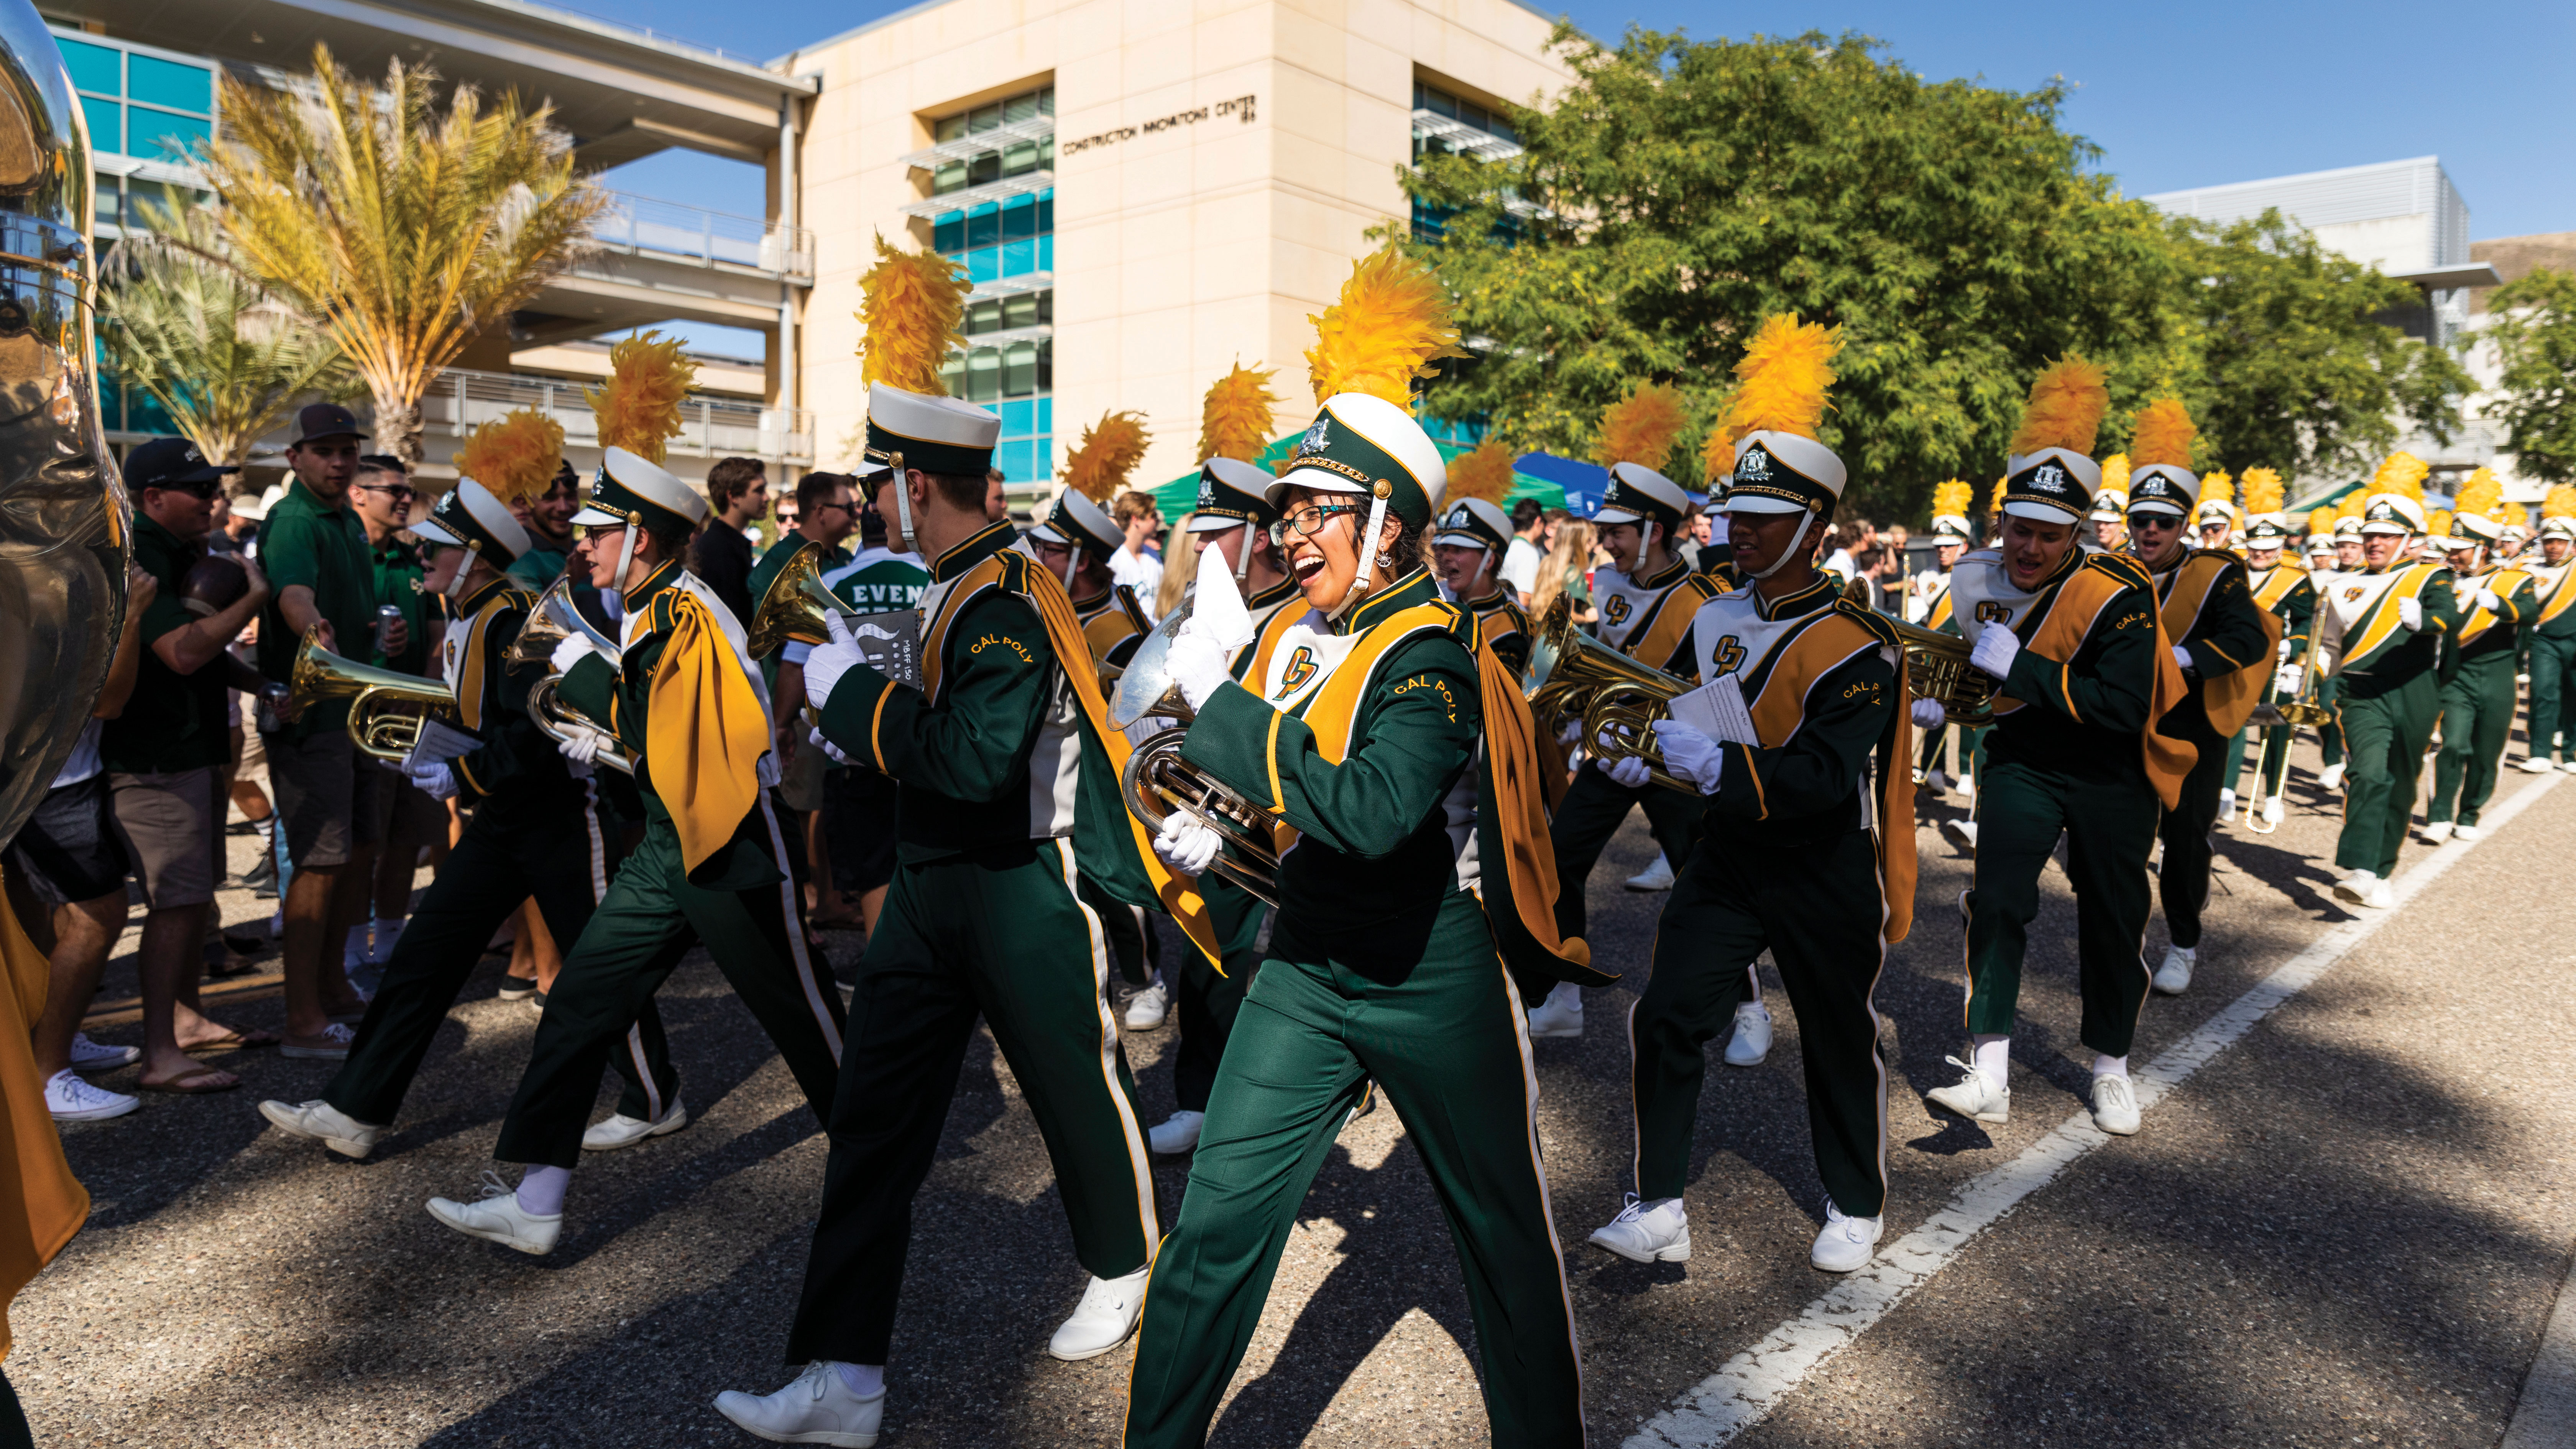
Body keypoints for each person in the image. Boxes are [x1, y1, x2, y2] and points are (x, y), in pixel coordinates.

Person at [714, 382, 1215, 1445]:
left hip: (1015, 876)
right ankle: (844, 1375)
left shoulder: (1003, 593)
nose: (866, 500)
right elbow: (933, 731)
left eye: (876, 480)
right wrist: (869, 710)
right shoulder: (953, 585)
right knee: (872, 1123)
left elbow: (978, 762)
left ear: (909, 479)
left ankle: (1127, 1263)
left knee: (1074, 1080)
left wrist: (849, 694)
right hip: (934, 878)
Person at [1120, 366, 1594, 1449]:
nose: (1289, 533)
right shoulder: (1290, 627)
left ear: (1385, 525)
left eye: (1313, 510)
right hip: (1304, 965)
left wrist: (1233, 724)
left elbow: (1377, 811)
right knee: (1211, 1233)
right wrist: (1211, 819)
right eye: (1283, 512)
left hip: (1424, 972)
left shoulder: (1433, 652)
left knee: (1504, 1239)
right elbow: (1272, 788)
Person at [423, 442, 846, 1254]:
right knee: (581, 1001)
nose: (580, 543)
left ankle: (876, 1152)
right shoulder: (653, 605)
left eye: (597, 530)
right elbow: (662, 733)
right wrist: (606, 723)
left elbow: (680, 732)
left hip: (727, 841)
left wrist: (586, 679)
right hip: (667, 838)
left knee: (804, 1015)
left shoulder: (679, 609)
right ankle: (537, 1200)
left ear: (641, 538)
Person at [1587, 317, 1912, 1274]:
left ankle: (1855, 1199)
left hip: (1818, 865)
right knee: (1667, 1015)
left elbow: (1818, 781)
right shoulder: (1718, 612)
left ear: (1818, 528)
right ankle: (1657, 1204)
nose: (1744, 529)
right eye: (1739, 513)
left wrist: (1714, 764)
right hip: (1729, 858)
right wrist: (1632, 749)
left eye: (1768, 517)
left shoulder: (1862, 642)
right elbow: (1679, 714)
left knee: (1840, 1035)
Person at [257, 473, 677, 1159]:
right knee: (425, 958)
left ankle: (656, 1096)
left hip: (562, 818)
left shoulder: (510, 615)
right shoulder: (469, 614)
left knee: (597, 965)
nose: (422, 558)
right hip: (507, 818)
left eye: (436, 549)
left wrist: (460, 771)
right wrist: (434, 749)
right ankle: (355, 1107)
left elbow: (535, 732)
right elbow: (484, 720)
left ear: (474, 557)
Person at [1922, 360, 2190, 1140]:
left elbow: (2119, 706)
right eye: (2018, 529)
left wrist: (2025, 668)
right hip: (2024, 760)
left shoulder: (2119, 588)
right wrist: (1945, 693)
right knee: (2000, 898)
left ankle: (2109, 1066)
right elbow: (1969, 655)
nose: (2029, 548)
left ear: (2075, 533)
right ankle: (1991, 1068)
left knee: (2112, 916)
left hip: (2111, 773)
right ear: (2000, 522)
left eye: (2047, 534)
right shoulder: (1975, 577)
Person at [1136, 454, 1306, 1155]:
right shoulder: (1213, 612)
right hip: (1224, 816)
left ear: (1259, 536)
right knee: (1211, 957)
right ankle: (1203, 1101)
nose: (1199, 547)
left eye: (1215, 533)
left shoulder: (1303, 614)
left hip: (1290, 814)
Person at [109, 439, 286, 1092]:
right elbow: (182, 653)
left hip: (193, 749)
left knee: (191, 900)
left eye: (215, 487)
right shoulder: (143, 556)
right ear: (153, 498)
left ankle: (186, 1023)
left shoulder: (186, 551)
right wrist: (253, 599)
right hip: (156, 758)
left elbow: (206, 659)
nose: (215, 498)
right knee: (175, 905)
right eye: (199, 489)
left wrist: (259, 682)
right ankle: (161, 1052)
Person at [1528, 459, 1725, 1043]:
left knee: (1707, 882)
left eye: (1617, 532)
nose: (1605, 542)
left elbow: (1709, 696)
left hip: (1675, 764)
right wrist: (1586, 724)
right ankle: (1564, 994)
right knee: (1559, 861)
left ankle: (1746, 1005)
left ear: (1654, 532)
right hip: (1616, 753)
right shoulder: (1610, 585)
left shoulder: (1706, 601)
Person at [2114, 409, 2276, 998]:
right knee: (2120, 840)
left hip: (2190, 731)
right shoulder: (2113, 572)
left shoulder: (2215, 575)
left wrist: (2185, 659)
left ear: (2183, 524)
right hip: (2125, 725)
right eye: (2140, 520)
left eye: (2162, 521)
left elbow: (2249, 639)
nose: (2150, 531)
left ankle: (2182, 942)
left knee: (2183, 842)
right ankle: (2122, 940)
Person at [253, 403, 394, 1061]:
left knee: (357, 852)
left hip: (357, 713)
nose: (340, 462)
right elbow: (292, 595)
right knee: (318, 862)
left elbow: (349, 608)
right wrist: (312, 625)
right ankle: (301, 1019)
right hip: (314, 721)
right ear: (295, 459)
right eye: (326, 451)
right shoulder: (293, 520)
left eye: (348, 451)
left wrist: (376, 631)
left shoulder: (345, 519)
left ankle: (335, 987)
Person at [3, 559, 154, 1121]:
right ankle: (50, 1075)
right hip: (50, 780)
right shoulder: (40, 585)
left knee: (42, 920)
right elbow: (107, 701)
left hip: (42, 777)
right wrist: (133, 613)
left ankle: (54, 1043)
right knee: (100, 916)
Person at [2314, 489, 2456, 908]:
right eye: (2370, 534)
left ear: (2410, 540)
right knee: (2368, 773)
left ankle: (2382, 869)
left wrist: (2424, 621)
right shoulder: (2343, 585)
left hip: (2415, 690)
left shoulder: (2430, 577)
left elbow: (2449, 617)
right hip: (2362, 692)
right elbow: (2330, 645)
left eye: (2388, 536)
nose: (2375, 543)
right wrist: (2308, 673)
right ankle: (2360, 868)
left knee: (2401, 783)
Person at [350, 457, 445, 978]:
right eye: (394, 490)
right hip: (363, 717)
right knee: (364, 841)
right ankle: (350, 945)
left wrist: (422, 690)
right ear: (359, 495)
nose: (405, 498)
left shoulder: (415, 560)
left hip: (414, 715)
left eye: (408, 490)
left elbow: (436, 634)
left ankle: (388, 938)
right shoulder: (348, 556)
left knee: (411, 832)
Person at [2424, 512, 2530, 842]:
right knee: (2453, 744)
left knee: (2487, 753)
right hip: (2459, 676)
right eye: (2451, 548)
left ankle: (2469, 813)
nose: (2452, 555)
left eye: (2461, 549)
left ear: (2482, 548)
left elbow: (2530, 613)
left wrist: (2499, 603)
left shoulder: (2514, 580)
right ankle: (2440, 815)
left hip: (2499, 673)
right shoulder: (2441, 580)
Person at [2227, 515, 2318, 828]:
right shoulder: (2232, 571)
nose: (2261, 554)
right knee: (2230, 720)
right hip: (2235, 661)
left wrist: (2294, 649)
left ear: (2280, 545)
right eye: (2255, 547)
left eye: (2268, 548)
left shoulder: (2295, 578)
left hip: (2273, 661)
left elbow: (2308, 620)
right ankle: (2225, 789)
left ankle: (2273, 795)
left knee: (2275, 723)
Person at [2519, 515, 2576, 772]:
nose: (2554, 546)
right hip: (2544, 641)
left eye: (2561, 542)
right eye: (2550, 541)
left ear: (2572, 544)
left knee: (2574, 697)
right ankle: (2540, 753)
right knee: (2543, 693)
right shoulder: (2531, 568)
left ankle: (2570, 754)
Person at [692, 456, 769, 625]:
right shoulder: (717, 550)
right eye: (759, 491)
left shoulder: (730, 542)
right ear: (733, 496)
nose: (767, 497)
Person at [505, 462, 580, 588]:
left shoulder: (587, 550)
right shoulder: (522, 561)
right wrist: (570, 577)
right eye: (550, 498)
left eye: (570, 496)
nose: (564, 508)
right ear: (525, 503)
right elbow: (536, 609)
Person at [1109, 489, 1165, 616]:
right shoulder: (1114, 559)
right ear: (1136, 519)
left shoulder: (1153, 555)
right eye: (1153, 516)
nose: (1157, 521)